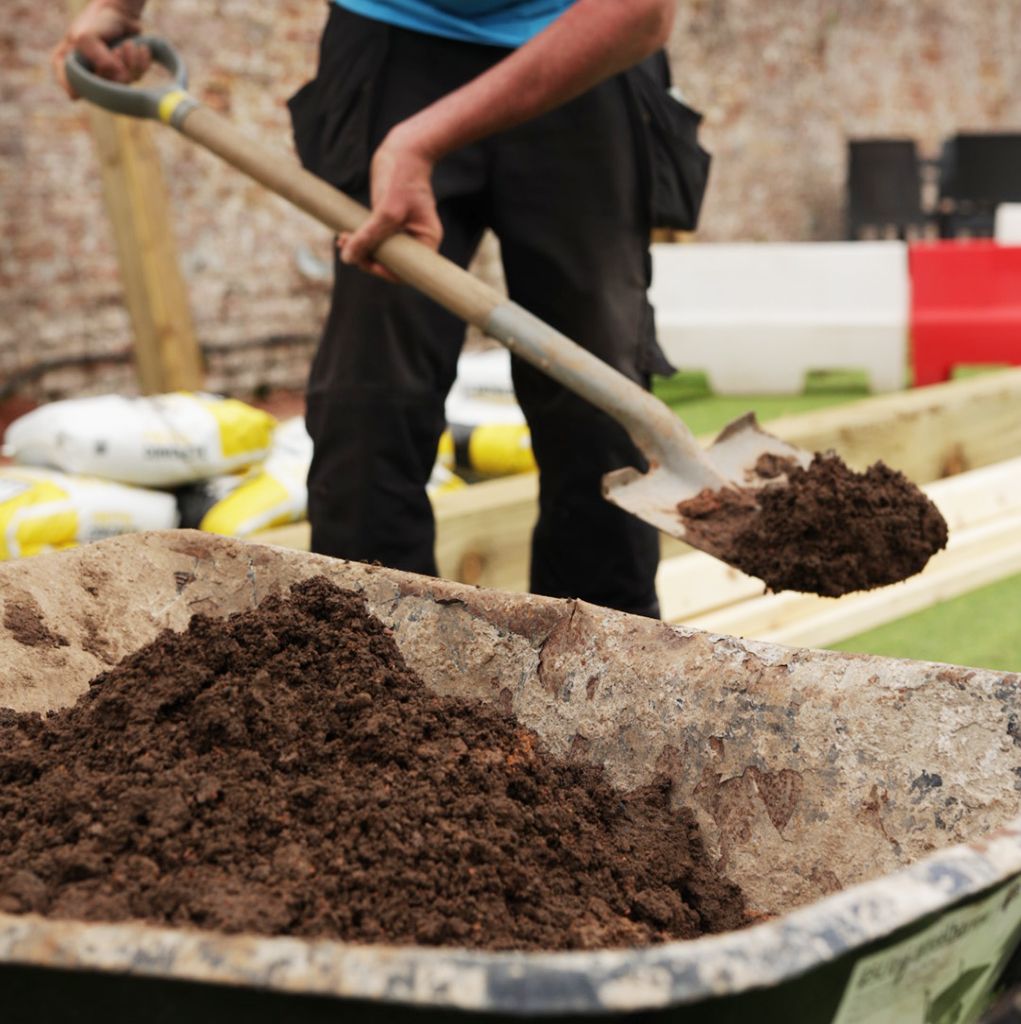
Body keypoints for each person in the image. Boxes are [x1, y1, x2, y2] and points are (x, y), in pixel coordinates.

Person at [54, 0, 701, 619]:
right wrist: (122, 6)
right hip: (394, 42)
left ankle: (603, 663)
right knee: (372, 394)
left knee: (595, 398)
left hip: (580, 53)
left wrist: (419, 141)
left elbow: (637, 10)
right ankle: (364, 662)